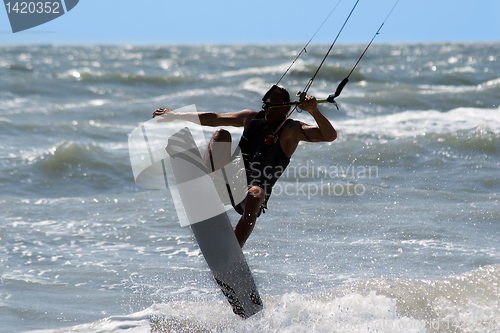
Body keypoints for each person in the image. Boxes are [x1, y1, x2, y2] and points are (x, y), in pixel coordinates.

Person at [152, 86, 337, 248]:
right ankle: (207, 188)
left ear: (288, 108)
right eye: (267, 104)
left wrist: (313, 111)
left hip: (248, 196)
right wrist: (175, 115)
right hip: (228, 180)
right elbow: (214, 118)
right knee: (221, 134)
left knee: (257, 194)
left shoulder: (291, 130)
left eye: (275, 105)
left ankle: (232, 250)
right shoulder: (250, 117)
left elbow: (329, 136)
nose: (269, 108)